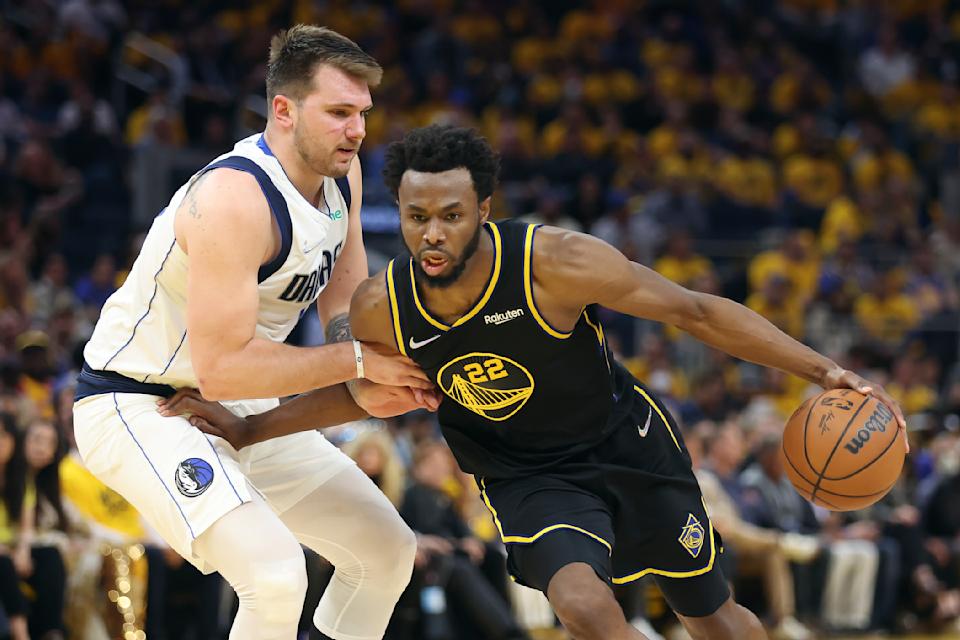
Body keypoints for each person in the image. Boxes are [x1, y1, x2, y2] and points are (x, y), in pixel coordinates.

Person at [162, 125, 907, 640]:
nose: (432, 233)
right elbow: (365, 391)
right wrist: (252, 426)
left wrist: (823, 369)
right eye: (417, 216)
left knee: (711, 616)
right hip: (524, 473)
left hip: (627, 443)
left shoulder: (557, 262)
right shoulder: (383, 306)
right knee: (583, 603)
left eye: (451, 215)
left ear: (483, 210)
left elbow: (696, 311)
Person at [73, 25, 439, 640]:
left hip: (237, 401)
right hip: (139, 402)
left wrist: (379, 369)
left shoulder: (340, 178)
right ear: (284, 110)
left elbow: (344, 309)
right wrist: (356, 363)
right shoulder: (234, 199)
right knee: (273, 576)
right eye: (340, 113)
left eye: (364, 114)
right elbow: (224, 367)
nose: (358, 131)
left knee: (386, 552)